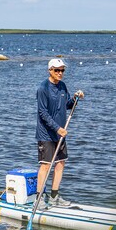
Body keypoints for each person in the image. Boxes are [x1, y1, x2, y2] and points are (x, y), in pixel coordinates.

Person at [36, 58, 84, 208]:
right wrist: (57, 128)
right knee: (45, 165)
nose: (60, 73)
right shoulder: (43, 88)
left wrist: (76, 98)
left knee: (60, 164)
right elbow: (43, 113)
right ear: (50, 70)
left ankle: (54, 197)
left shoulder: (62, 86)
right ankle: (39, 199)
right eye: (57, 70)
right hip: (46, 134)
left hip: (60, 134)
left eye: (62, 70)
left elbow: (67, 105)